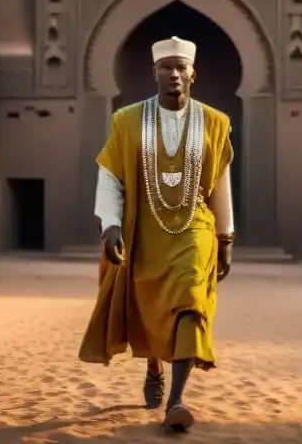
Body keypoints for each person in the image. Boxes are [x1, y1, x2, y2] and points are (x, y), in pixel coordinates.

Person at [79, 36, 235, 432]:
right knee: (151, 306)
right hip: (143, 227)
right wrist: (111, 223)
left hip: (194, 227)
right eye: (167, 67)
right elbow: (110, 175)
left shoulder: (214, 123)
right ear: (155, 73)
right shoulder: (127, 121)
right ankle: (154, 366)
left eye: (181, 67)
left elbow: (220, 184)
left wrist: (226, 238)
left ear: (193, 73)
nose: (175, 74)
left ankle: (178, 400)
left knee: (189, 300)